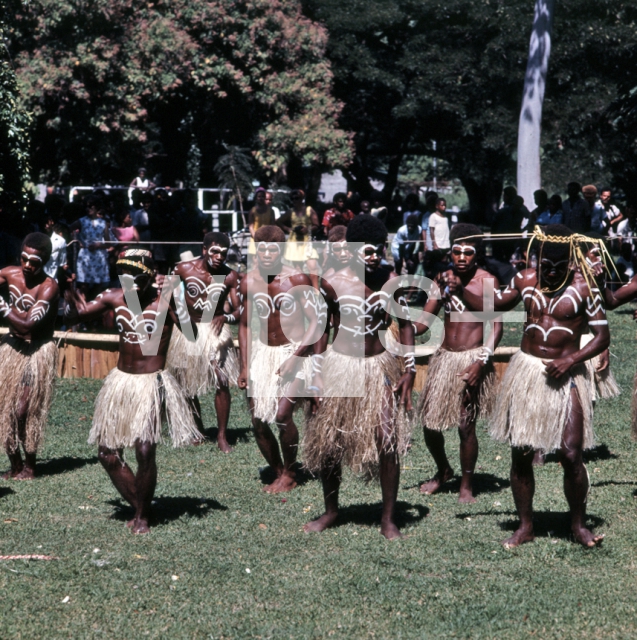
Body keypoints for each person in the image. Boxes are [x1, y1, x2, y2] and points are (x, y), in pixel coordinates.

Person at [457, 224, 609, 548]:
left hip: (567, 375)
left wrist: (571, 360)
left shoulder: (585, 288)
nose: (550, 274)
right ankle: (526, 526)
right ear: (536, 261)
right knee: (522, 453)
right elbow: (495, 304)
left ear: (570, 263)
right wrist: (461, 282)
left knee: (570, 453)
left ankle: (578, 524)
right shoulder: (525, 280)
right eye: (544, 267)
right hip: (527, 372)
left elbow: (601, 337)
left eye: (558, 268)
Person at [64, 249, 200, 534]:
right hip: (121, 381)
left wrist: (175, 295)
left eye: (137, 277)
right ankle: (143, 504)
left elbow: (191, 334)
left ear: (152, 275)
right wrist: (68, 291)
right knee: (106, 452)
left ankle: (142, 515)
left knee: (144, 449)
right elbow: (75, 314)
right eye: (125, 277)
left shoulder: (164, 300)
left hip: (152, 382)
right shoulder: (114, 296)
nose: (131, 284)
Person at [302, 215, 415, 539]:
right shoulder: (331, 282)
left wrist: (408, 369)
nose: (374, 255)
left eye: (378, 249)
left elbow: (405, 324)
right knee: (328, 442)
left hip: (377, 367)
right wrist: (316, 376)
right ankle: (331, 510)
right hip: (339, 365)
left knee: (386, 437)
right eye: (367, 249)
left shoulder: (390, 281)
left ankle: (388, 518)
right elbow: (322, 329)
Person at [413, 224, 503, 503]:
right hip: (443, 360)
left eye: (468, 252)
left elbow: (496, 326)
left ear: (476, 255)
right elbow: (425, 320)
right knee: (430, 424)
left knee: (466, 425)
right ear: (450, 252)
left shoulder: (487, 281)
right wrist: (400, 325)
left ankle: (466, 484)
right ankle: (443, 470)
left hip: (471, 359)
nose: (462, 257)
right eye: (457, 252)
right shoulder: (442, 278)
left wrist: (481, 361)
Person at [237, 225, 323, 493]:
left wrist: (296, 357)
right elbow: (245, 326)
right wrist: (243, 366)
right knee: (258, 420)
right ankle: (279, 471)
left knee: (282, 414)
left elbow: (316, 321)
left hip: (294, 351)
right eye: (261, 250)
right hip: (263, 354)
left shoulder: (297, 279)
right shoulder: (249, 281)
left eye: (272, 250)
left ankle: (290, 471)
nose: (265, 255)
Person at [166, 232, 240, 453]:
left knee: (222, 380)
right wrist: (179, 323)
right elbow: (166, 300)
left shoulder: (230, 276)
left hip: (214, 330)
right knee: (187, 382)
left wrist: (224, 317)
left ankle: (221, 435)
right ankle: (197, 429)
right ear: (205, 249)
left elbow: (240, 310)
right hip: (186, 329)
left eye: (224, 253)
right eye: (215, 251)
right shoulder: (183, 269)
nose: (219, 257)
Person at [0, 233, 59, 479]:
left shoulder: (49, 287)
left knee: (24, 410)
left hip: (37, 350)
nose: (27, 265)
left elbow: (26, 326)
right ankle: (14, 466)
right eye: (24, 258)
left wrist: (2, 306)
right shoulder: (9, 274)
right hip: (11, 348)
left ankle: (31, 466)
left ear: (44, 260)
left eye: (34, 261)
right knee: (4, 408)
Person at [276, 189, 320, 288]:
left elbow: (316, 225)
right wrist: (288, 229)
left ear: (302, 198)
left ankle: (316, 291)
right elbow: (278, 221)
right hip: (294, 243)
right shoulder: (290, 212)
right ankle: (303, 289)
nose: (295, 200)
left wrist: (307, 229)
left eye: (297, 198)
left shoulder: (309, 210)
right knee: (298, 270)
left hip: (307, 242)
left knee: (312, 266)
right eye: (292, 199)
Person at [69, 196, 111, 299]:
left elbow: (108, 243)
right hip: (85, 256)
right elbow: (69, 229)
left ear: (97, 208)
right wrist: (77, 241)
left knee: (98, 286)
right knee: (84, 286)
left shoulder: (103, 223)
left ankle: (95, 310)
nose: (88, 209)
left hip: (98, 257)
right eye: (87, 207)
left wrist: (99, 245)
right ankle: (83, 309)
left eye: (91, 207)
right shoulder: (81, 221)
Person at [43, 215, 68, 282]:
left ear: (51, 222)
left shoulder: (61, 241)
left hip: (52, 279)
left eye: (46, 223)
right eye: (43, 223)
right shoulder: (35, 239)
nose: (45, 226)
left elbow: (62, 264)